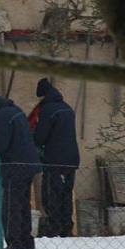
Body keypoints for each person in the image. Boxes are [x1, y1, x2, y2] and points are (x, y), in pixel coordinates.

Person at [0, 93, 41, 249]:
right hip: (29, 164)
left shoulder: (2, 116)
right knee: (23, 205)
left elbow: (2, 143)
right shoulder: (14, 110)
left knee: (11, 206)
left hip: (15, 166)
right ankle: (26, 242)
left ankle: (15, 243)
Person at [34, 78, 80, 237]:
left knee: (52, 195)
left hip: (55, 160)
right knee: (66, 194)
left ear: (43, 96)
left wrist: (33, 141)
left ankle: (54, 228)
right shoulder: (67, 108)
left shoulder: (48, 110)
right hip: (72, 159)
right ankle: (67, 227)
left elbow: (40, 136)